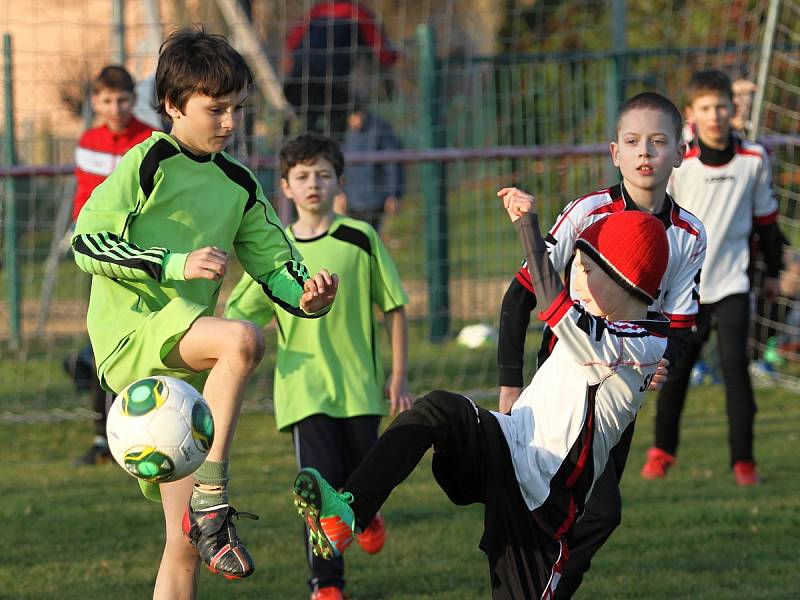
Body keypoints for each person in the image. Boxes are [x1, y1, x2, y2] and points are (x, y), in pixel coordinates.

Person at [291, 198, 672, 600]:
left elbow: (553, 306)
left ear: (625, 280)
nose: (575, 280)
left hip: (540, 506)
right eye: (573, 266)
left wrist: (528, 226)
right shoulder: (617, 334)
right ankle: (348, 513)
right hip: (505, 446)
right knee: (437, 409)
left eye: (586, 269)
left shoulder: (634, 344)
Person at [71, 29, 338, 599]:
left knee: (182, 544)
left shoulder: (237, 183)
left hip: (186, 365)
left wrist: (306, 295)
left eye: (237, 109)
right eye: (215, 109)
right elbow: (88, 243)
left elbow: (276, 264)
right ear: (172, 105)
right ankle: (214, 499)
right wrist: (174, 262)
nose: (229, 123)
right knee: (242, 340)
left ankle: (204, 518)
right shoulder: (146, 163)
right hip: (134, 338)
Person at [495, 92, 706, 599]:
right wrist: (509, 383)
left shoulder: (689, 234)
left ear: (680, 152)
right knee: (590, 509)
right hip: (562, 384)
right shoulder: (588, 210)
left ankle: (530, 585)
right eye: (633, 141)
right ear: (615, 152)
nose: (645, 153)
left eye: (658, 142)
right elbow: (521, 294)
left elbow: (680, 325)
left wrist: (666, 363)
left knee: (584, 516)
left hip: (619, 395)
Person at [225, 132, 413, 600]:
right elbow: (240, 313)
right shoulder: (275, 253)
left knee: (359, 484)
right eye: (303, 176)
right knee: (318, 494)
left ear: (339, 182)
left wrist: (398, 375)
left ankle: (366, 515)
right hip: (303, 390)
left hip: (358, 387)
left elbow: (394, 306)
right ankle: (326, 585)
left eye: (323, 175)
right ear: (285, 188)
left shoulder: (360, 237)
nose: (314, 184)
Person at [642, 70, 784, 486]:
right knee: (676, 371)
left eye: (721, 106)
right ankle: (662, 452)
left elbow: (767, 222)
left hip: (733, 285)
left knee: (735, 370)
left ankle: (744, 463)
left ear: (733, 111)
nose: (715, 115)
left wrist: (773, 271)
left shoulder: (753, 159)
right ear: (693, 115)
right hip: (686, 288)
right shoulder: (680, 161)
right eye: (706, 108)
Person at [68, 65, 158, 466]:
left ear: (133, 100)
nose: (115, 107)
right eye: (107, 100)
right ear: (95, 102)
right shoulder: (89, 141)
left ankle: (147, 430)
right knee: (107, 344)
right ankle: (104, 438)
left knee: (143, 344)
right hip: (103, 255)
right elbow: (88, 200)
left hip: (142, 256)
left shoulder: (150, 140)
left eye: (122, 99)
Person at [283, 1, 398, 138]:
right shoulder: (358, 13)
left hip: (297, 84)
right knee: (338, 131)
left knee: (309, 129)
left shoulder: (316, 12)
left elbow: (290, 45)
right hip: (333, 87)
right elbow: (383, 54)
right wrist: (397, 55)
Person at [340, 102, 404, 230]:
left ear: (362, 113)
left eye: (355, 116)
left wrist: (393, 194)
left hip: (375, 199)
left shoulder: (381, 130)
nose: (352, 121)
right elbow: (344, 166)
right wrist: (341, 192)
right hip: (352, 199)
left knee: (370, 237)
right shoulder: (347, 133)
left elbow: (392, 165)